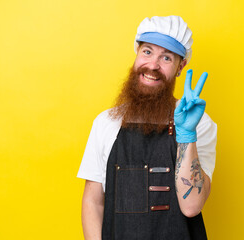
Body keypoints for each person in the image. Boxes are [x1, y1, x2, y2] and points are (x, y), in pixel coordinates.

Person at [77, 15, 217, 240]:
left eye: (167, 58)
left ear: (181, 67)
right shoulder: (106, 122)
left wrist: (186, 136)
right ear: (137, 54)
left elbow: (191, 207)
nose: (153, 65)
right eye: (148, 52)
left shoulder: (200, 123)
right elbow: (93, 202)